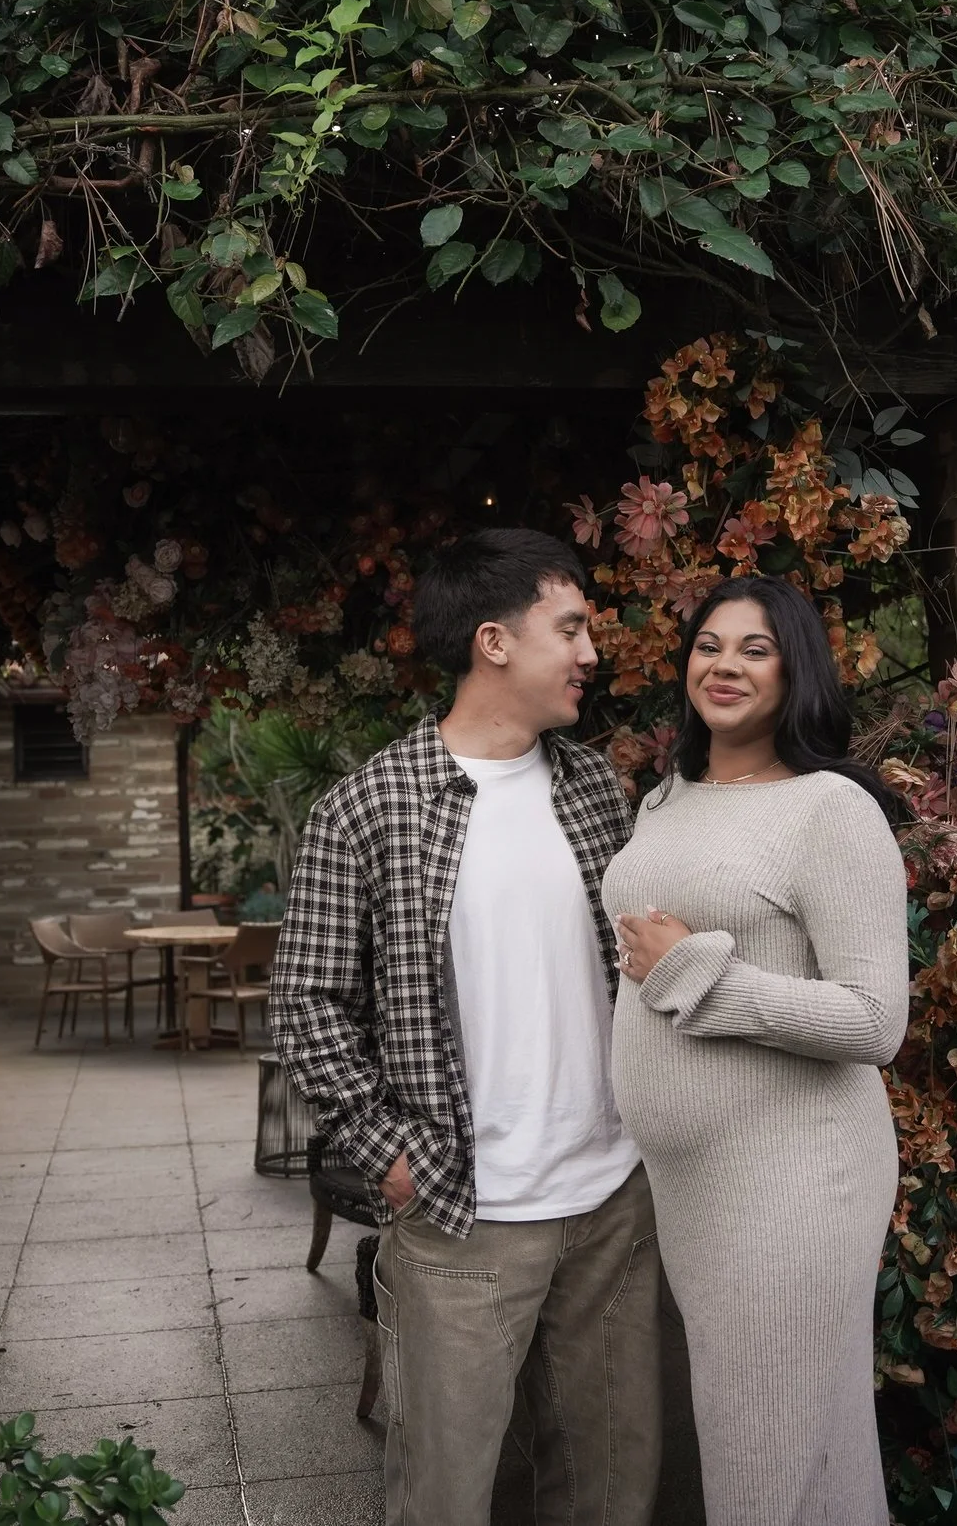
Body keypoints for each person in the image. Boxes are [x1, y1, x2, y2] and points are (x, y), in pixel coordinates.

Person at [273, 527, 661, 1526]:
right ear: (494, 641)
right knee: (446, 1497)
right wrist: (386, 1149)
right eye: (568, 627)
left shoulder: (593, 790)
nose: (589, 651)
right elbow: (308, 1001)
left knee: (611, 1490)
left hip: (612, 1205)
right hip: (459, 1211)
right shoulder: (367, 807)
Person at [605, 574, 911, 1526]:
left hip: (793, 1180)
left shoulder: (830, 810)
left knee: (764, 1455)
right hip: (697, 1186)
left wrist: (697, 974)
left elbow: (874, 1019)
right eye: (708, 644)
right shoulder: (665, 800)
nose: (724, 665)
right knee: (798, 1449)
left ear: (796, 669)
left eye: (754, 647)